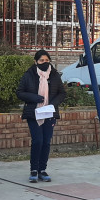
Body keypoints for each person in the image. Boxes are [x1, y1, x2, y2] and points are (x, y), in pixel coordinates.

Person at [16, 49, 66, 183]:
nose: (44, 63)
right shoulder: (29, 75)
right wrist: (35, 98)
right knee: (37, 141)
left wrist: (52, 104)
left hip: (49, 113)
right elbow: (20, 92)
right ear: (36, 62)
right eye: (41, 60)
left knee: (46, 141)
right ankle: (34, 169)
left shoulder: (54, 75)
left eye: (47, 60)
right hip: (34, 113)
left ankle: (42, 170)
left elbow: (62, 93)